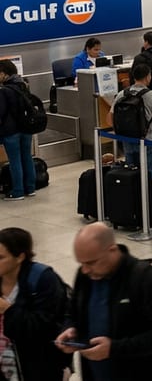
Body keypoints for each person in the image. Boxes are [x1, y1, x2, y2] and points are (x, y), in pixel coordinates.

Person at [56, 223, 152, 381]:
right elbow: (72, 311)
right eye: (81, 263)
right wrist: (70, 328)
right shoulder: (85, 276)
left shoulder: (146, 279)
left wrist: (113, 348)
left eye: (91, 263)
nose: (85, 270)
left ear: (112, 250)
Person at [0, 227, 71, 381]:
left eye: (0, 257)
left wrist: (8, 309)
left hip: (38, 367)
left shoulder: (43, 280)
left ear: (20, 257)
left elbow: (44, 329)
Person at [107, 62, 152, 182]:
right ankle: (147, 200)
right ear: (147, 77)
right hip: (148, 140)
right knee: (148, 178)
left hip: (128, 141)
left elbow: (109, 119)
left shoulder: (122, 94)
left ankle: (134, 199)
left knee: (131, 176)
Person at [0, 60, 37, 201]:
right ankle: (31, 188)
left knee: (15, 160)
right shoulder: (23, 85)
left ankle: (18, 191)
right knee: (27, 157)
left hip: (11, 131)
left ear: (3, 74)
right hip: (26, 128)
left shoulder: (4, 90)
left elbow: (1, 112)